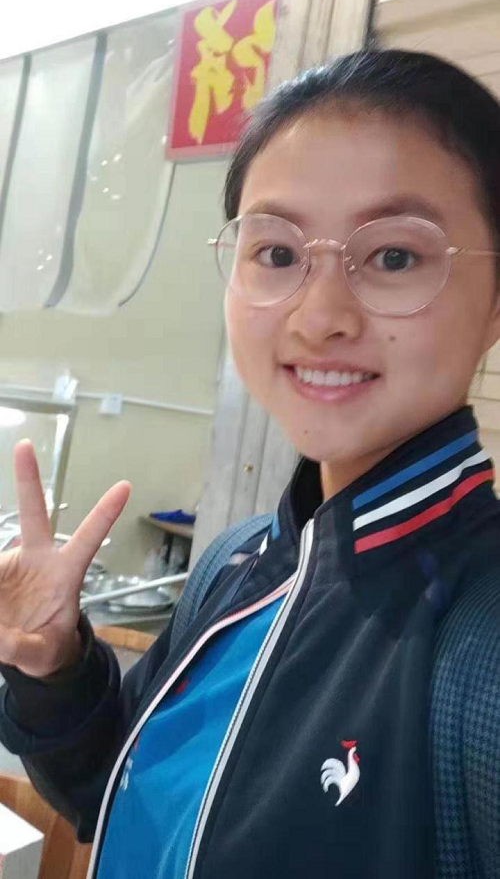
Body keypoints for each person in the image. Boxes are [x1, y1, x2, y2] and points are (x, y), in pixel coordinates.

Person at [0, 48, 500, 879]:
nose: (320, 315)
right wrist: (52, 666)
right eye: (277, 253)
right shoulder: (236, 565)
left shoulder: (479, 640)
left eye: (395, 256)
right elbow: (115, 794)